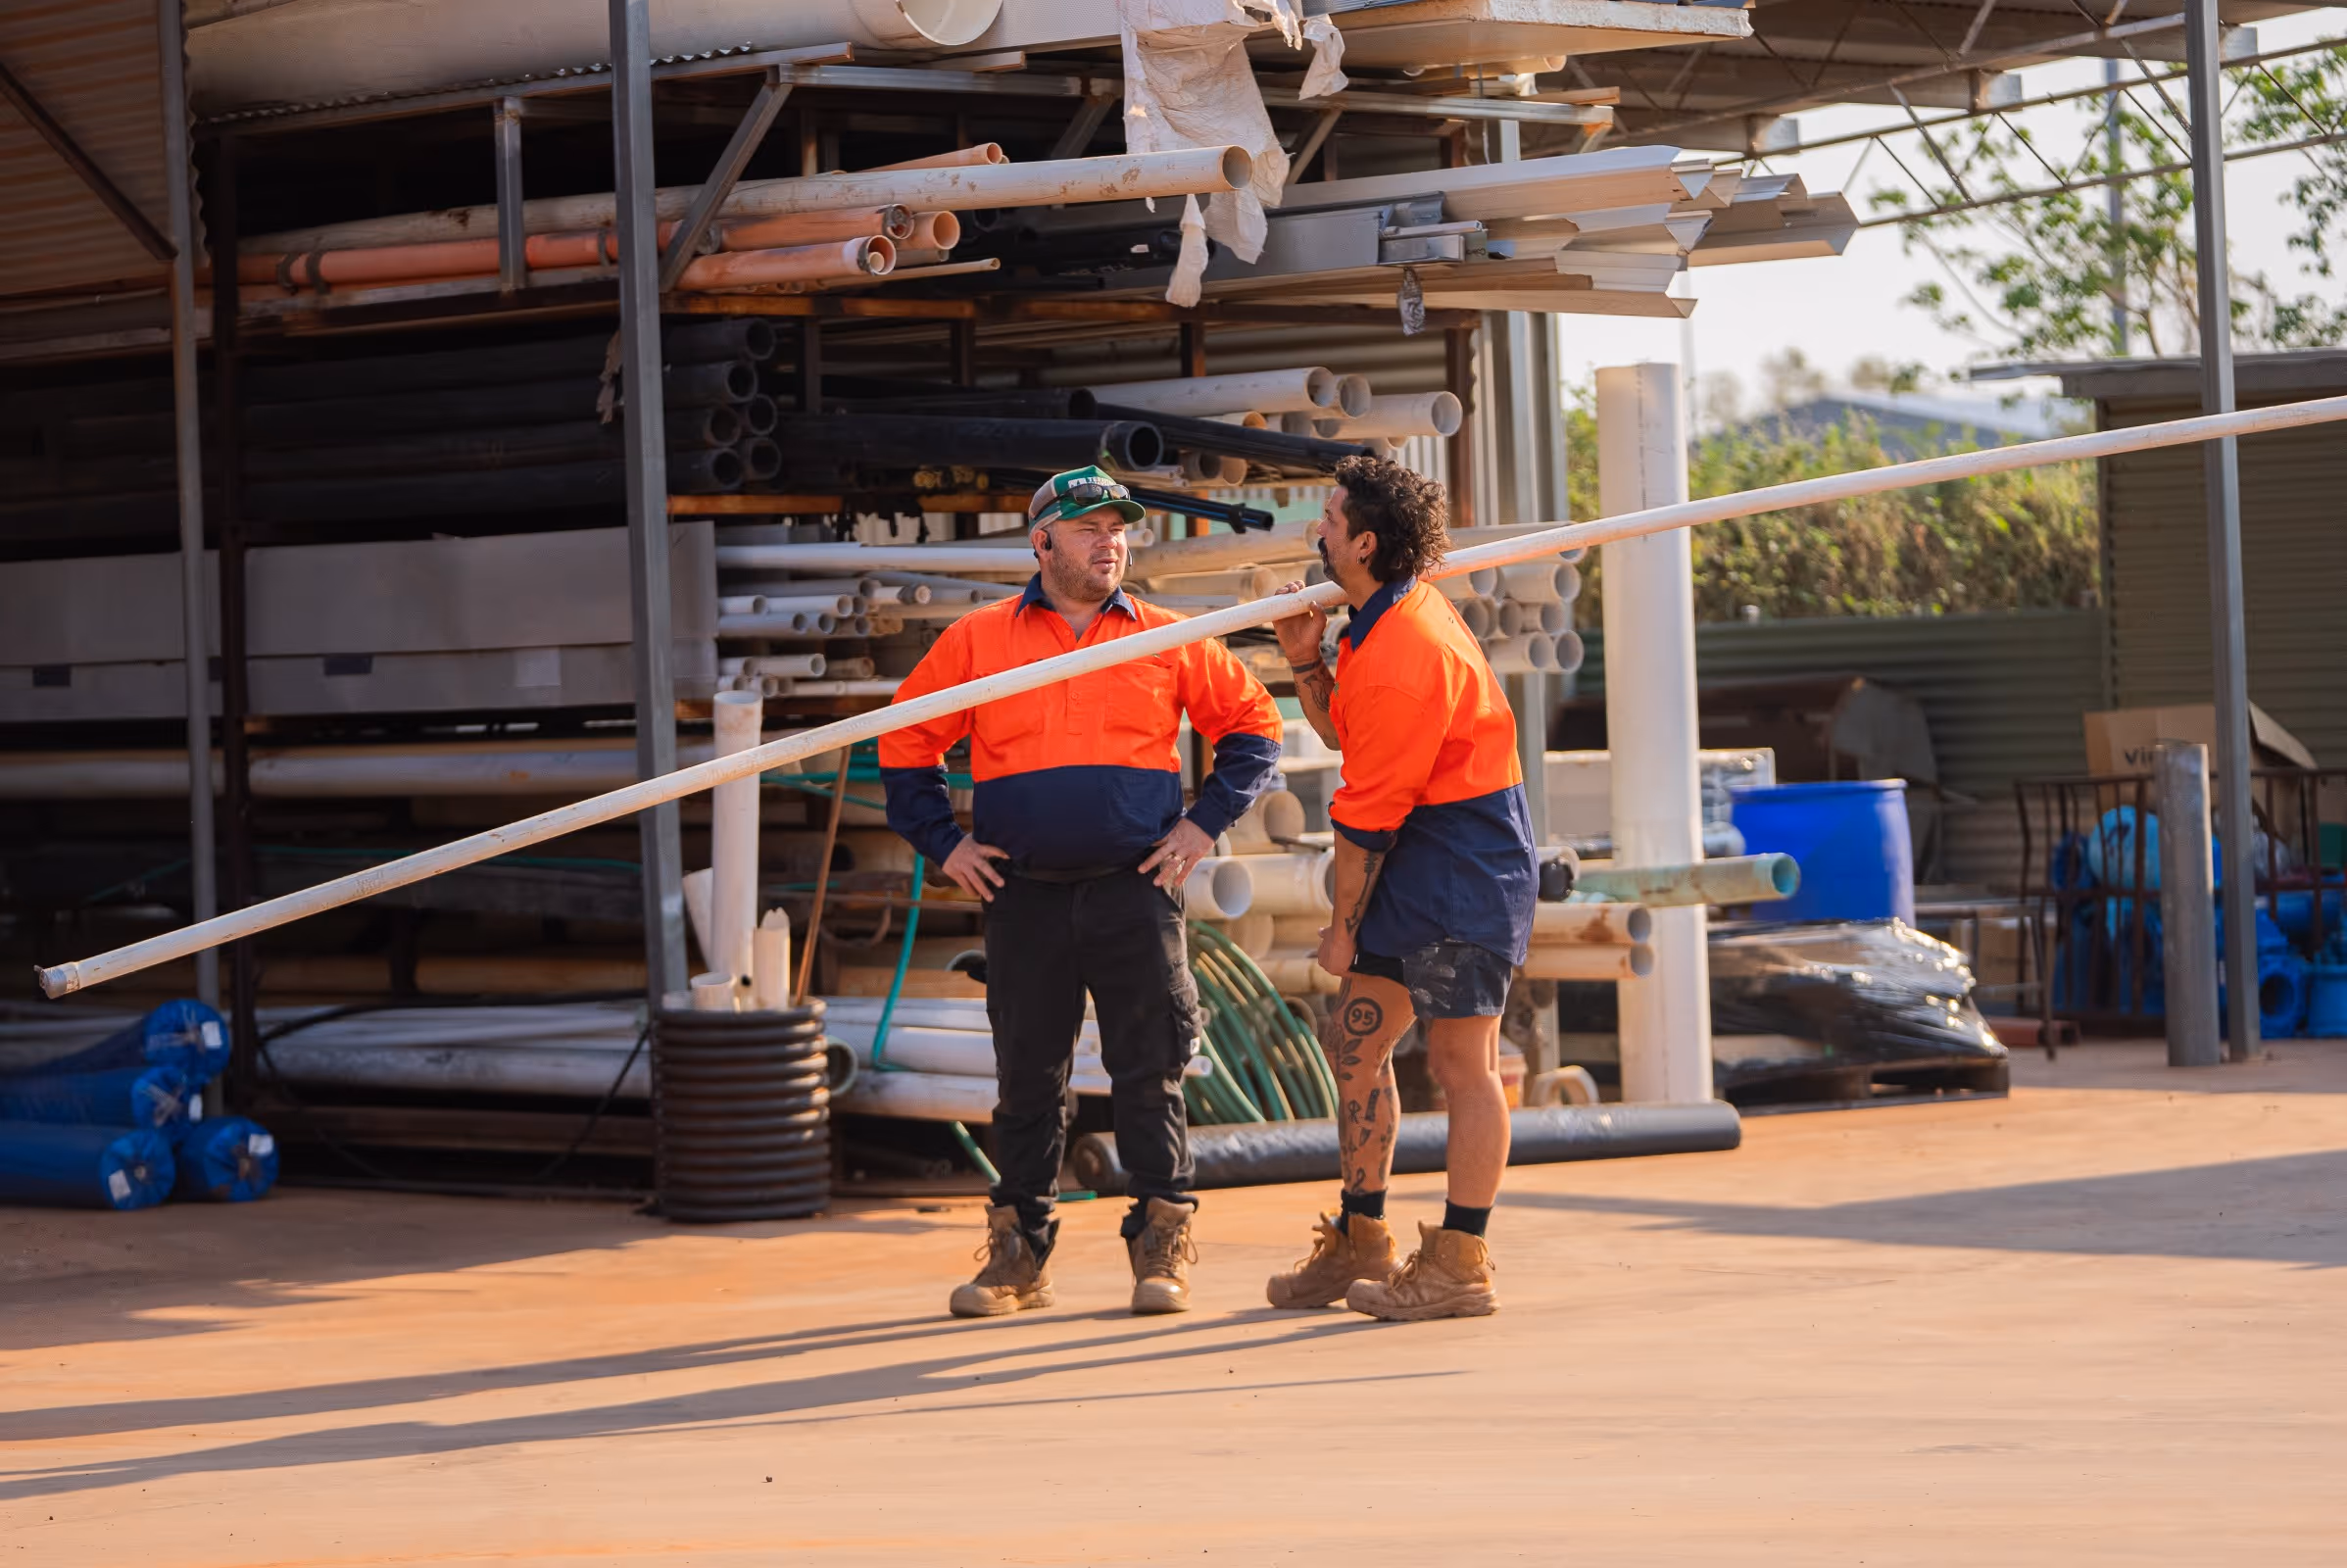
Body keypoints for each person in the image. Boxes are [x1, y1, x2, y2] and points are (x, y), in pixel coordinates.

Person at [881, 465, 1284, 1319]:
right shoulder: (978, 641)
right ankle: (1017, 1260)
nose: (1111, 543)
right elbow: (903, 740)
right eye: (1090, 528)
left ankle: (1161, 1248)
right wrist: (943, 844)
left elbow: (1252, 727)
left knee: (1152, 1073)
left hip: (1133, 889)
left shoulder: (1167, 636)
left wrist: (1203, 824)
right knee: (1027, 1079)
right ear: (1042, 542)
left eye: (1119, 528)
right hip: (1023, 894)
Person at [1262, 456, 1537, 1321]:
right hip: (1418, 851)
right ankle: (1360, 1236)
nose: (1319, 532)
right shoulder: (1375, 624)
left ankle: (1460, 1259)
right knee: (1355, 1045)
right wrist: (1308, 665)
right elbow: (1355, 738)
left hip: (1461, 863)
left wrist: (1342, 930)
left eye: (1331, 522)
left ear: (1366, 544)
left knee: (1462, 1063)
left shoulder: (1405, 646)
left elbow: (1363, 819)